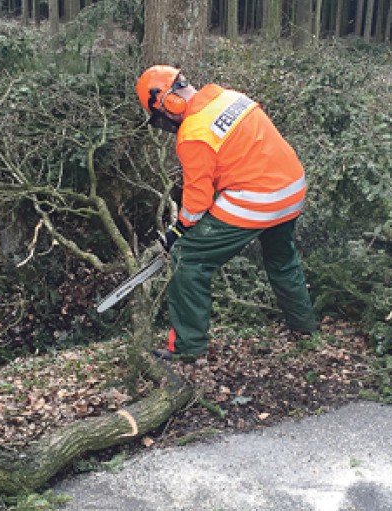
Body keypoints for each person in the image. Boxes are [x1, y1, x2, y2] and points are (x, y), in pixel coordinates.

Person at [134, 65, 317, 360]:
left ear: (169, 102)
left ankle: (188, 347)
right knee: (281, 259)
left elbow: (197, 200)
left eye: (162, 117)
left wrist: (178, 232)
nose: (166, 123)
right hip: (292, 188)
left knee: (188, 258)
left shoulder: (194, 132)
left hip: (258, 197)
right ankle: (304, 327)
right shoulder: (229, 97)